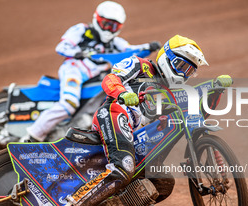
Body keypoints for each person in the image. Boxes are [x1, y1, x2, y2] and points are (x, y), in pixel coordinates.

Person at [51, 35, 233, 206]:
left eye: (190, 70)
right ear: (167, 58)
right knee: (124, 166)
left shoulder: (176, 93)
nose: (184, 74)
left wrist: (216, 90)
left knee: (163, 182)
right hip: (115, 113)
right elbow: (110, 79)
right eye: (181, 65)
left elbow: (199, 114)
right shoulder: (140, 65)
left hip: (137, 137)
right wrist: (121, 93)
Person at [25, 1, 161, 142]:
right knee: (69, 103)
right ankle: (32, 136)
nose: (109, 30)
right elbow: (61, 47)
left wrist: (149, 46)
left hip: (96, 78)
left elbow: (131, 51)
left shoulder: (116, 42)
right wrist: (77, 52)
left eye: (114, 26)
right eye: (106, 24)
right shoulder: (82, 30)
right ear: (97, 19)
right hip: (74, 69)